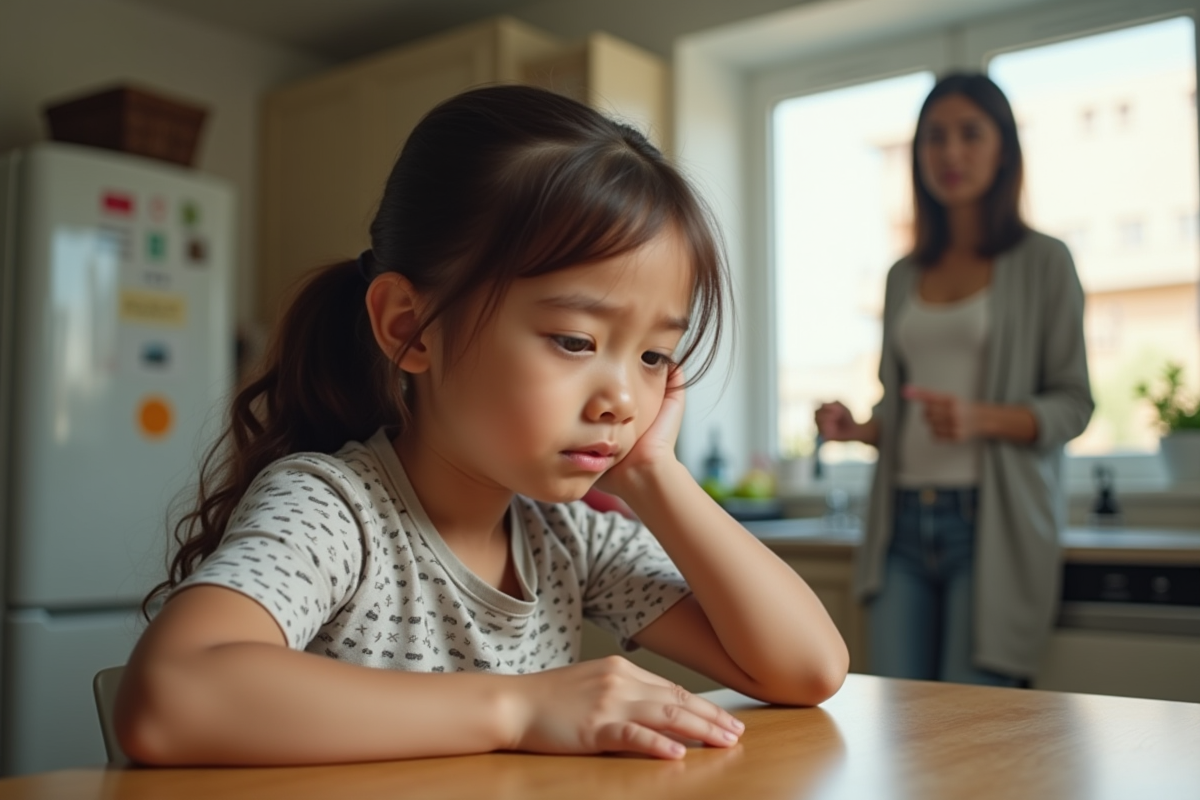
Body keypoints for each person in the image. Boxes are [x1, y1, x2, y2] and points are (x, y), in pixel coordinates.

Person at [116, 85, 848, 766]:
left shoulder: (568, 538)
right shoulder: (336, 511)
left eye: (655, 355)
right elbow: (168, 697)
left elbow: (807, 668)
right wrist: (518, 709)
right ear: (409, 328)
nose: (623, 398)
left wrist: (657, 474)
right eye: (573, 341)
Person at [814, 73, 1093, 686]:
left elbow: (1074, 405)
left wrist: (980, 418)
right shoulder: (902, 274)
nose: (951, 153)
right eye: (935, 137)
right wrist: (859, 428)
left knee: (970, 733)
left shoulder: (1045, 262)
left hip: (990, 528)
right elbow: (902, 406)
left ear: (1004, 148)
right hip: (900, 526)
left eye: (971, 133)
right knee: (896, 723)